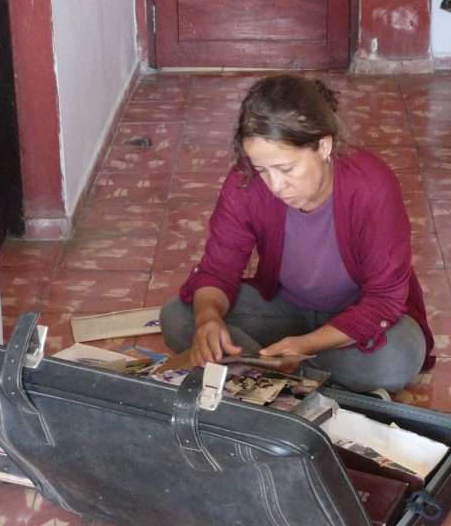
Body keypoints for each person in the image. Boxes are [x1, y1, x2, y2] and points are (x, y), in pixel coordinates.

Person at [160, 75, 434, 394]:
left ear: (323, 145)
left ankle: (266, 368)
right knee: (179, 316)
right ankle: (293, 370)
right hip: (285, 307)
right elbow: (218, 270)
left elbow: (384, 300)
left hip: (356, 315)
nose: (276, 186)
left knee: (397, 359)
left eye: (287, 169)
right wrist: (208, 319)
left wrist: (306, 345)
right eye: (263, 170)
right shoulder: (245, 183)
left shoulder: (372, 185)